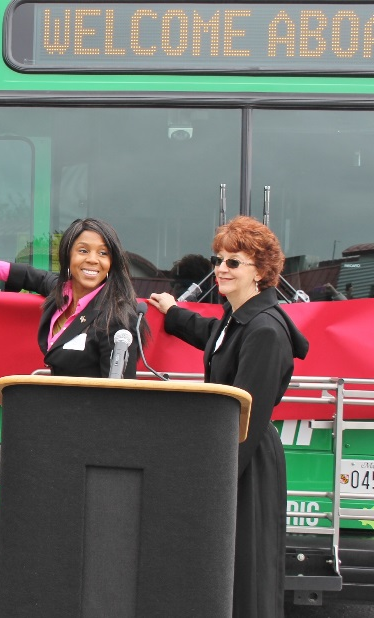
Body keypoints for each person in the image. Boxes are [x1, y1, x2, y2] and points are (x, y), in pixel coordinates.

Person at [148, 215, 309, 618]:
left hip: (246, 461)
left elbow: (245, 420)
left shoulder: (265, 331)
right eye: (218, 259)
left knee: (246, 574)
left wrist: (213, 486)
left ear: (261, 272)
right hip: (232, 454)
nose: (221, 268)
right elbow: (213, 338)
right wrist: (172, 311)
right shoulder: (240, 318)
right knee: (226, 572)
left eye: (233, 262)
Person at [0, 218, 143, 377]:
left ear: (111, 263)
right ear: (67, 256)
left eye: (103, 253)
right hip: (57, 402)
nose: (92, 259)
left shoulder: (118, 318)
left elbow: (119, 397)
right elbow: (35, 277)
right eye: (83, 250)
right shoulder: (62, 291)